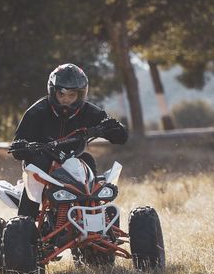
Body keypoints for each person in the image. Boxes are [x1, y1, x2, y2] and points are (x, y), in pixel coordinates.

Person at [10, 63, 128, 218]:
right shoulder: (36, 112)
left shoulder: (89, 111)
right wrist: (22, 146)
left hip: (74, 159)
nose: (66, 100)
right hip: (42, 160)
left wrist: (114, 127)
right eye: (61, 94)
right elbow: (17, 148)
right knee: (36, 166)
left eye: (72, 95)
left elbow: (121, 137)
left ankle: (96, 217)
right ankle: (25, 223)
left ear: (80, 95)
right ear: (53, 92)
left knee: (88, 160)